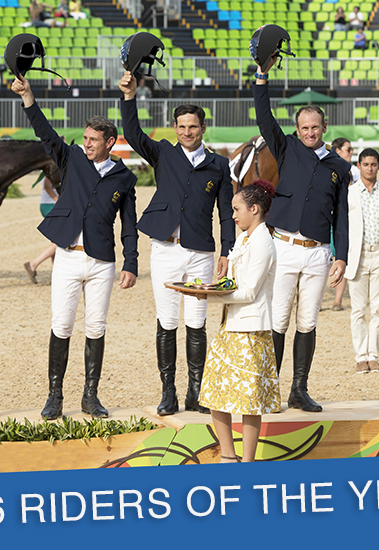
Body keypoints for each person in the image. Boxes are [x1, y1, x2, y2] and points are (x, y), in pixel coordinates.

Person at [11, 75, 138, 420]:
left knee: (96, 328)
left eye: (94, 140)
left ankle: (90, 396)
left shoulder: (124, 178)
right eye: (85, 139)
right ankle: (55, 396)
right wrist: (28, 97)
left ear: (110, 141)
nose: (87, 144)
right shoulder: (72, 159)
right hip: (67, 257)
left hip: (101, 263)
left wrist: (131, 263)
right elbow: (45, 133)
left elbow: (129, 225)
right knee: (61, 326)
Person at [119, 70, 235, 417]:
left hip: (200, 253)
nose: (187, 132)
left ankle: (195, 391)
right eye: (181, 126)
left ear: (203, 129)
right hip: (166, 251)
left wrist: (227, 251)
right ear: (175, 128)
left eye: (193, 127)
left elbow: (227, 213)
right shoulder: (164, 154)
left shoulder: (219, 165)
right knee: (167, 320)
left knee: (196, 322)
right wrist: (129, 97)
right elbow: (133, 134)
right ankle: (168, 391)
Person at [253, 55, 351, 413]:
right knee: (278, 319)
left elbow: (342, 216)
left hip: (317, 252)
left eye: (315, 127)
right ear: (297, 130)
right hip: (284, 248)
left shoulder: (340, 167)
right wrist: (262, 78)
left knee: (307, 321)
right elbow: (264, 118)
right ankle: (270, 389)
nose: (310, 132)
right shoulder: (286, 147)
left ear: (324, 127)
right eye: (304, 128)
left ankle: (299, 389)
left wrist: (342, 256)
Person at [195, 181, 280, 463]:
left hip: (251, 329)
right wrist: (213, 287)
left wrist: (208, 296)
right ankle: (227, 457)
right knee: (215, 392)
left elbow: (249, 292)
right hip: (230, 324)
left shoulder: (264, 242)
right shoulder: (244, 239)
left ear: (254, 209)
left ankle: (248, 463)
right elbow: (233, 283)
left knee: (248, 399)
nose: (233, 215)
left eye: (236, 209)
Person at [345, 149, 379, 374]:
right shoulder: (348, 193)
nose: (369, 168)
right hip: (356, 256)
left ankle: (373, 355)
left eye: (373, 164)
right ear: (358, 166)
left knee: (378, 308)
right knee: (358, 309)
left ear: (378, 166)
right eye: (365, 164)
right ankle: (361, 356)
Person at [329, 137, 359, 311]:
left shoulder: (354, 171)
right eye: (348, 149)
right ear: (337, 151)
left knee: (341, 257)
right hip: (326, 219)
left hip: (344, 219)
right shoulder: (326, 167)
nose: (351, 152)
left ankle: (337, 300)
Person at [24, 172, 59, 284]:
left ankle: (56, 274)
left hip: (50, 204)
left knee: (57, 240)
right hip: (52, 204)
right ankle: (33, 264)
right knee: (61, 240)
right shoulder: (52, 167)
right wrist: (58, 200)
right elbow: (47, 185)